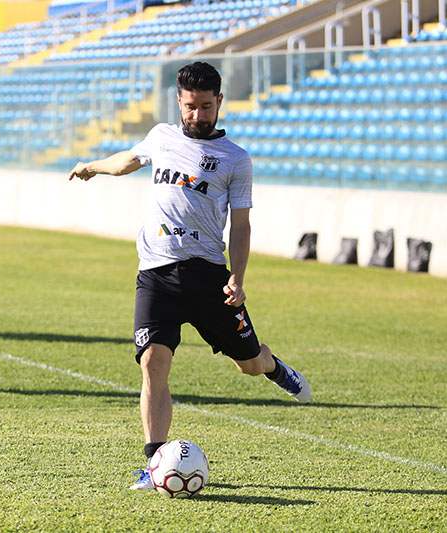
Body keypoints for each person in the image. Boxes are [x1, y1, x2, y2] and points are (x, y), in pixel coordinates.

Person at [68, 62, 310, 492]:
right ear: (178, 102)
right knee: (153, 363)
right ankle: (154, 461)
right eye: (188, 106)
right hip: (156, 274)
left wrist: (238, 276)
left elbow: (242, 225)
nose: (195, 115)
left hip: (207, 278)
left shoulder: (235, 160)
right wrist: (93, 166)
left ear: (219, 102)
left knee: (248, 365)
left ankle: (271, 364)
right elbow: (128, 160)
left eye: (204, 106)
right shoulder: (162, 137)